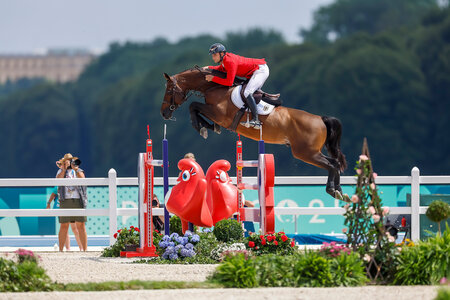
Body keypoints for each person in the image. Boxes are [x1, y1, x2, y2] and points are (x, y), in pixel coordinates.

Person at [205, 43, 269, 129]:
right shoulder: (225, 60)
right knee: (245, 91)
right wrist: (208, 67)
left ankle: (256, 120)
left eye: (215, 55)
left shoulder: (229, 61)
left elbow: (229, 82)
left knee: (247, 92)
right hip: (255, 71)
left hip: (260, 70)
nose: (213, 57)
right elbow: (221, 68)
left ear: (222, 54)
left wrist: (213, 79)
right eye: (212, 55)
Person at [56, 153, 88, 252]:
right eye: (68, 161)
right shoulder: (61, 171)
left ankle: (85, 250)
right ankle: (61, 250)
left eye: (71, 161)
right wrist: (64, 169)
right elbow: (58, 180)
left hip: (78, 199)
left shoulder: (78, 170)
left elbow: (83, 179)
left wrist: (75, 168)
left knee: (81, 225)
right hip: (65, 200)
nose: (70, 163)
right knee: (64, 225)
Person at [46, 183, 82, 251]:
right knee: (65, 228)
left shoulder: (73, 183)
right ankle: (68, 248)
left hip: (70, 208)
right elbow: (53, 194)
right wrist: (48, 204)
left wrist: (48, 204)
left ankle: (81, 247)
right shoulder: (59, 184)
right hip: (61, 208)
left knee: (74, 228)